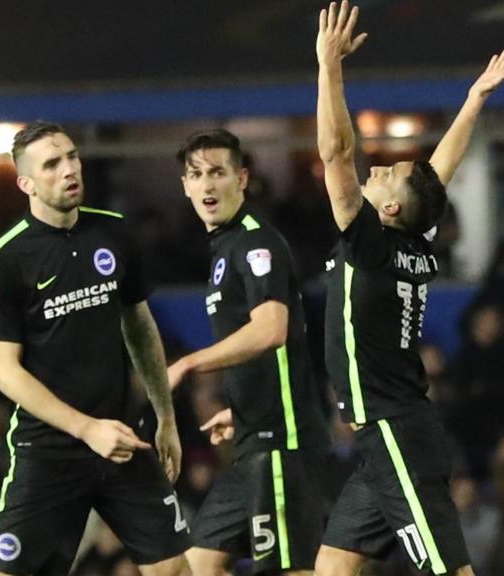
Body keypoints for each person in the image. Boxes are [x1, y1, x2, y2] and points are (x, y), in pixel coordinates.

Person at [312, 2, 504, 575]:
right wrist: (473, 100)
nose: (374, 172)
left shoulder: (372, 243)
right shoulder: (415, 239)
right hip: (389, 433)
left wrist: (329, 66)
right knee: (332, 567)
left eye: (386, 176)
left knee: (450, 569)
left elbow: (336, 152)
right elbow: (440, 171)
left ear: (392, 207)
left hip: (394, 431)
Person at [0, 122, 191, 576]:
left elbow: (139, 325)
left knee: (173, 570)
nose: (70, 169)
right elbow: (5, 373)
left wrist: (165, 415)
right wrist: (86, 428)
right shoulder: (3, 261)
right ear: (26, 184)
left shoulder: (113, 233)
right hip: (48, 449)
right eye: (52, 164)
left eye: (72, 156)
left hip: (121, 440)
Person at [168, 129, 331, 576]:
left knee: (286, 569)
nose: (207, 184)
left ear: (241, 178)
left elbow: (271, 329)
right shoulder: (224, 248)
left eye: (218, 172)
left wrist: (188, 362)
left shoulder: (256, 243)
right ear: (184, 185)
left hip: (282, 442)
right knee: (194, 569)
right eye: (196, 174)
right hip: (252, 439)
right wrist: (240, 409)